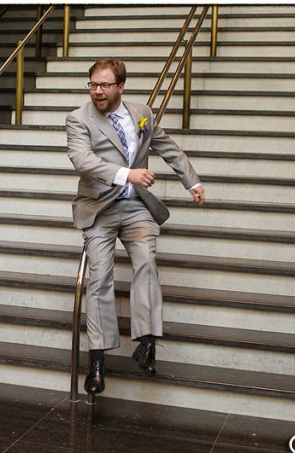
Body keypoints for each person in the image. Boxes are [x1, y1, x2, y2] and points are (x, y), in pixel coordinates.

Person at [66, 58, 206, 395]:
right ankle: (97, 358)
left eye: (104, 85)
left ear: (120, 86)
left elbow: (167, 147)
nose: (97, 91)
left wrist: (192, 182)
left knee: (146, 262)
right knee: (99, 277)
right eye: (93, 84)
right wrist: (127, 174)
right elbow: (82, 160)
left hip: (135, 207)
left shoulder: (141, 112)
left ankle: (146, 341)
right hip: (99, 208)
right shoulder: (78, 119)